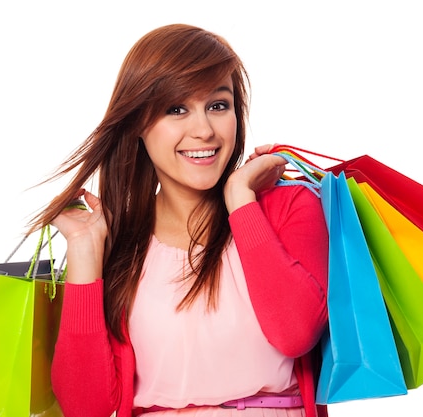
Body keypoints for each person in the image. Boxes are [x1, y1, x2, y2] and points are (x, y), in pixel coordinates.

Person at [30, 23, 329, 417]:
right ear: (138, 122)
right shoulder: (118, 240)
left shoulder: (287, 207)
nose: (203, 130)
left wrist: (241, 201)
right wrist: (86, 253)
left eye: (218, 106)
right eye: (176, 109)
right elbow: (87, 408)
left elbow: (295, 334)